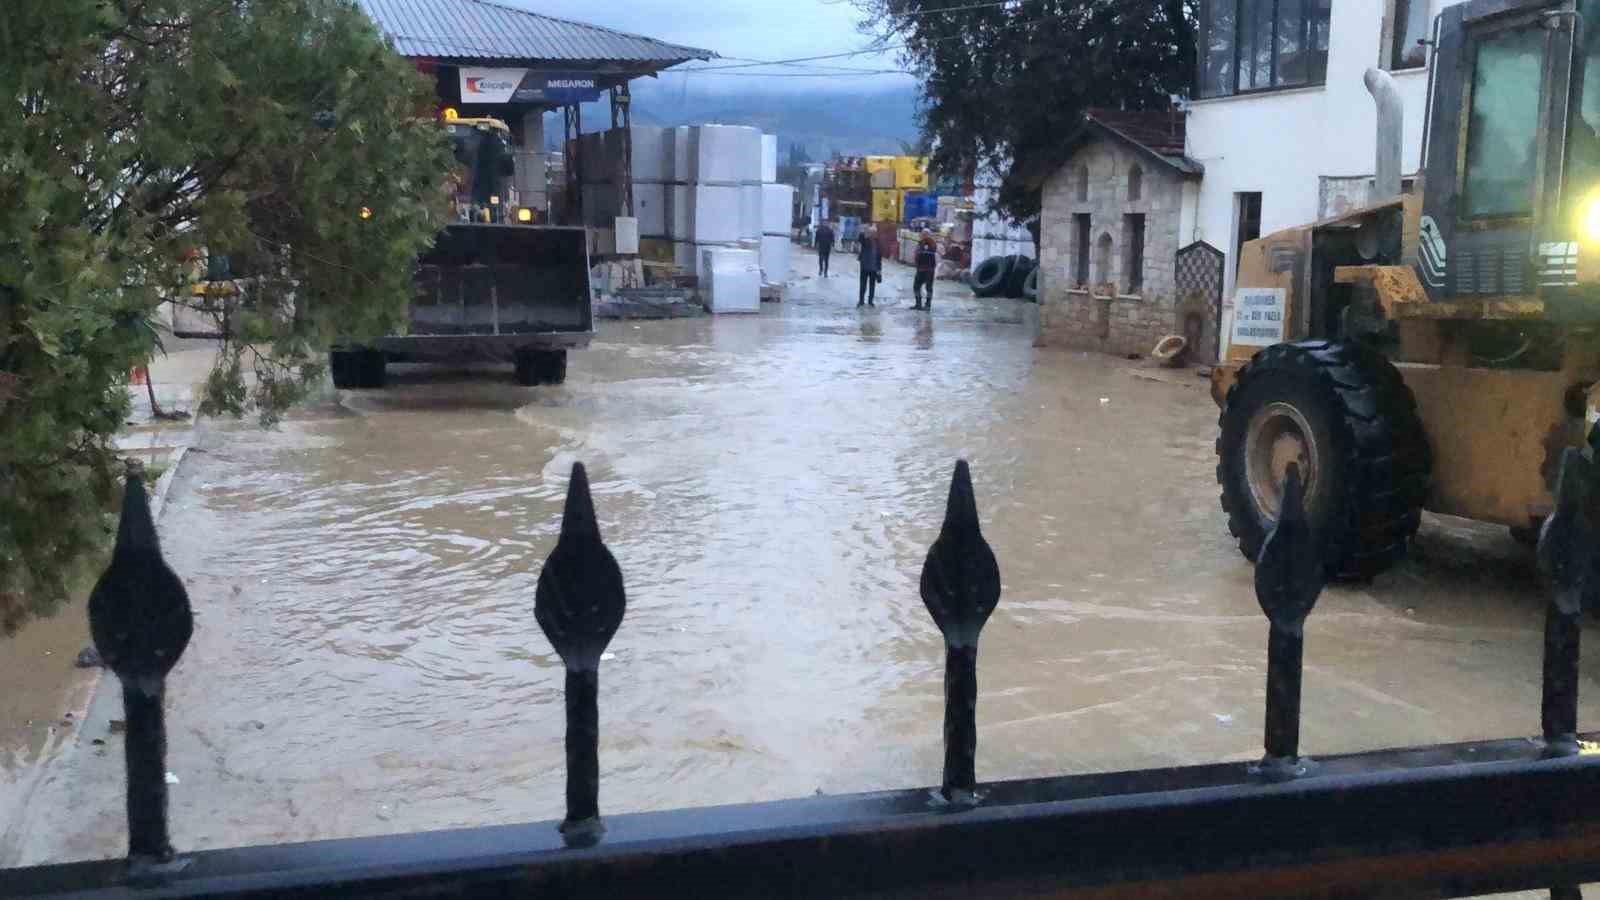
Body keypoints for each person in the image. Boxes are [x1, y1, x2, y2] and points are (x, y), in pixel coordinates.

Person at [912, 229, 938, 311]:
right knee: (917, 286)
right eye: (922, 234)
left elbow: (923, 254)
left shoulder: (930, 243)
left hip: (927, 269)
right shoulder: (922, 243)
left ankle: (926, 305)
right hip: (923, 269)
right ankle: (919, 304)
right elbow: (917, 254)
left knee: (927, 287)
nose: (922, 236)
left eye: (924, 234)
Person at [857, 225, 881, 307]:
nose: (873, 234)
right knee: (863, 285)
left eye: (874, 232)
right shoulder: (865, 240)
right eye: (871, 232)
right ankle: (861, 301)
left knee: (872, 285)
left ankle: (870, 301)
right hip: (865, 266)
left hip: (874, 268)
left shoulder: (877, 242)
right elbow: (860, 238)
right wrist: (865, 231)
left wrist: (879, 270)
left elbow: (879, 257)